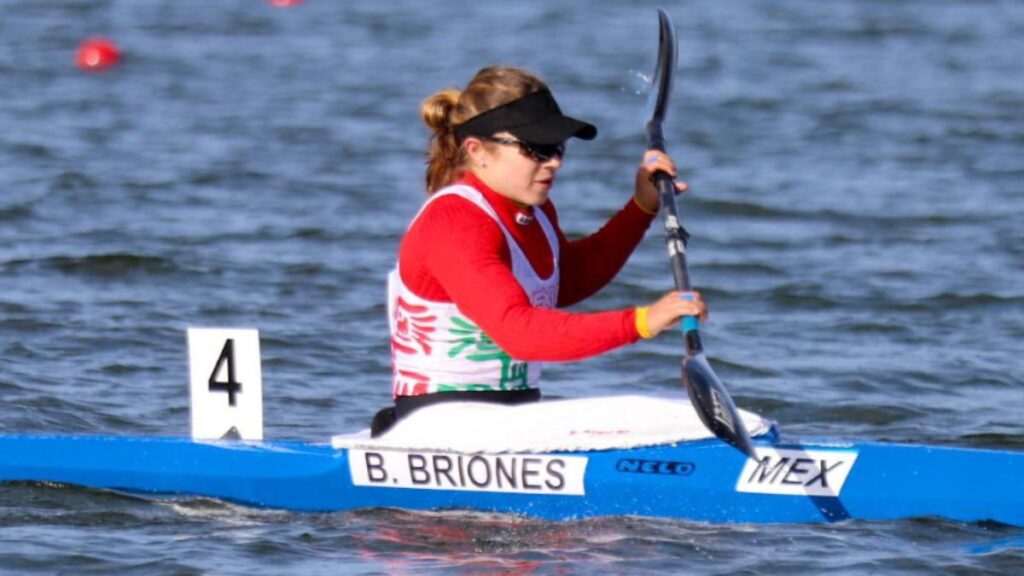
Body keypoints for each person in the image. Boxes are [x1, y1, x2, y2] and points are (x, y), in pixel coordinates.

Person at [372, 66, 707, 436]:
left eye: (557, 146)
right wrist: (643, 321)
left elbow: (567, 282)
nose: (555, 162)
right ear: (477, 151)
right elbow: (521, 332)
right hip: (437, 428)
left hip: (504, 425)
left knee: (671, 419)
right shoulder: (454, 222)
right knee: (666, 421)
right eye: (536, 148)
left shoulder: (533, 211)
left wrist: (641, 207)